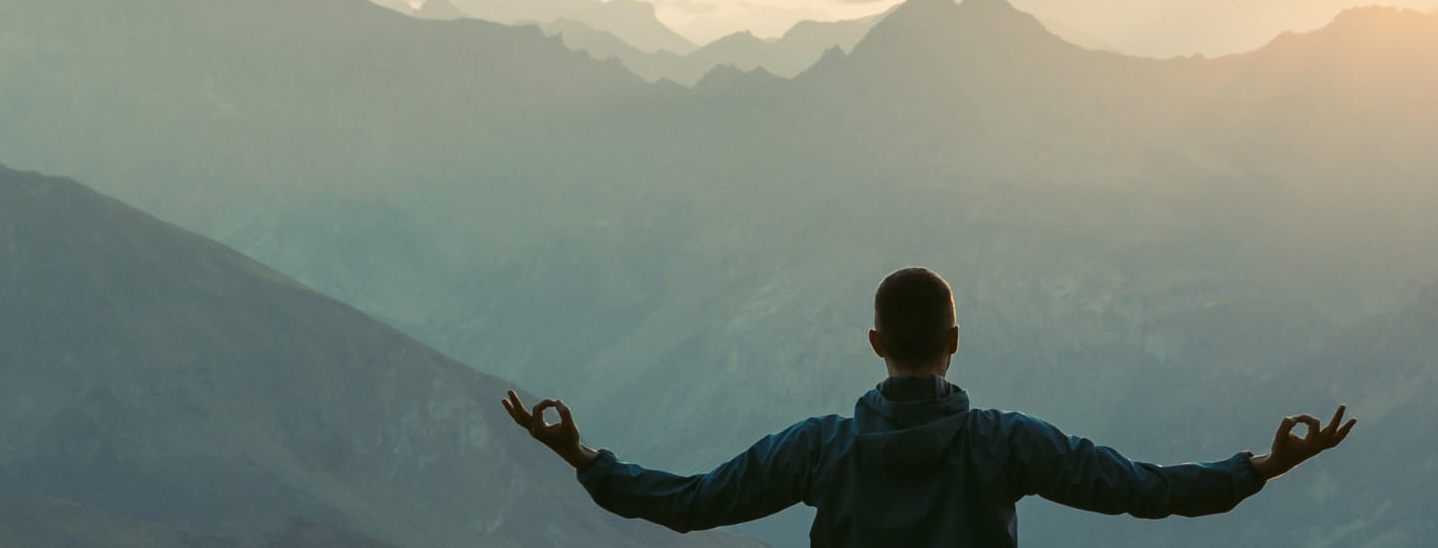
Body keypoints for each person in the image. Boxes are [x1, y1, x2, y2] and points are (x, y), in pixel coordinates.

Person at [501, 266, 1357, 546]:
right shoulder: (1008, 446)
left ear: (874, 344)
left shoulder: (818, 450)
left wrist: (583, 458)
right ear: (958, 339)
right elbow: (1144, 489)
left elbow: (688, 507)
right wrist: (1262, 467)